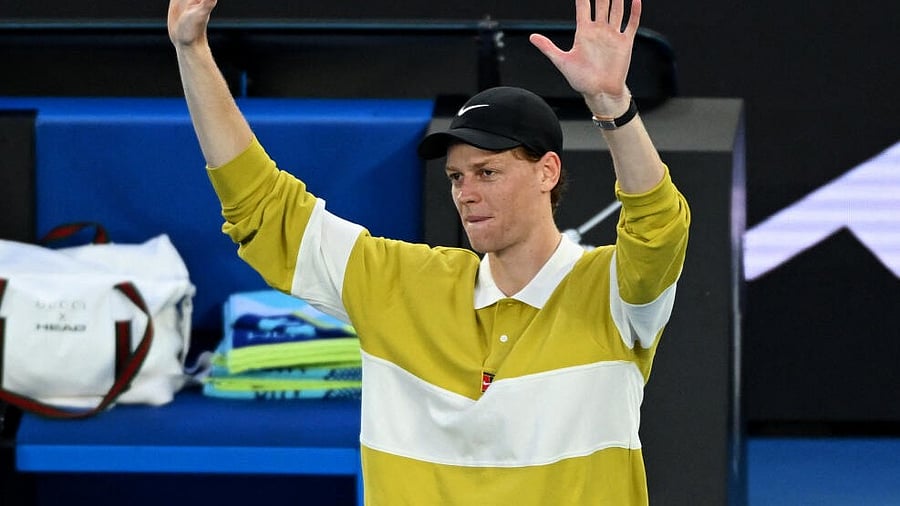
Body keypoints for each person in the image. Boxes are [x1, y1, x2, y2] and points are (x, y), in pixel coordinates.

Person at [168, 0, 690, 503]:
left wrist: (610, 106)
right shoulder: (401, 283)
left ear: (546, 172)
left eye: (488, 172)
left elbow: (658, 225)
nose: (466, 193)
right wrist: (191, 50)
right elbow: (262, 207)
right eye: (456, 177)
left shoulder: (615, 292)